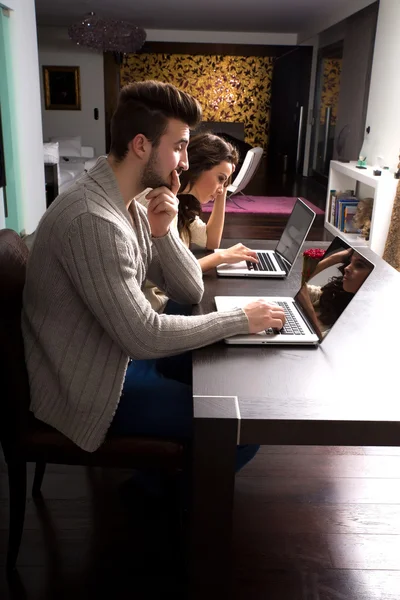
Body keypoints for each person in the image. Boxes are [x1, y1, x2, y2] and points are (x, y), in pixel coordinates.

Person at [22, 80, 285, 475]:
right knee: (242, 425)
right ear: (141, 145)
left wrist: (163, 230)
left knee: (221, 368)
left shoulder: (126, 199)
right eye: (178, 146)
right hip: (95, 385)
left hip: (116, 356)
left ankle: (165, 482)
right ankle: (159, 501)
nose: (184, 161)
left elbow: (189, 288)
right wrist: (240, 318)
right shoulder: (94, 219)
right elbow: (143, 337)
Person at [137, 132, 258, 313]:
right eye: (220, 178)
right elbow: (176, 276)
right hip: (155, 308)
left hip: (168, 297)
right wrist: (221, 257)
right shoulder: (159, 201)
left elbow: (210, 240)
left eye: (225, 182)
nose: (221, 188)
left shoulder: (181, 200)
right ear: (200, 166)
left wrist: (222, 188)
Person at [297, 247, 373, 337]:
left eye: (359, 265)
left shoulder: (364, 320)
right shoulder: (336, 295)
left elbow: (320, 343)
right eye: (350, 262)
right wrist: (333, 258)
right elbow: (299, 284)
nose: (347, 268)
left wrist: (308, 309)